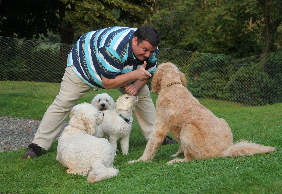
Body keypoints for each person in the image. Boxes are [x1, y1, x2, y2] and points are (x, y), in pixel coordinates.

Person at [22, 26, 177, 159]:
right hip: (84, 67)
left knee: (142, 97)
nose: (148, 54)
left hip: (123, 70)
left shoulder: (151, 49)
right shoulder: (114, 47)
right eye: (145, 50)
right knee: (63, 102)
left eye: (151, 51)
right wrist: (134, 76)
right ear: (135, 40)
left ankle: (156, 137)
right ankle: (38, 144)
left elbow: (148, 71)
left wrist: (136, 86)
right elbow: (108, 83)